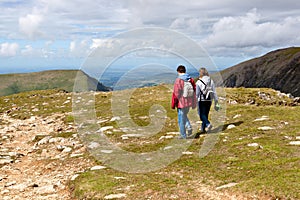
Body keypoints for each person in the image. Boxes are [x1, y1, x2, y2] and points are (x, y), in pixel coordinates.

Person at [171, 65, 197, 139]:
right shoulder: (190, 80)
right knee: (184, 115)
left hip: (181, 103)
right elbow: (194, 91)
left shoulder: (178, 80)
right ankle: (188, 127)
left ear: (178, 71)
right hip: (189, 102)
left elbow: (176, 94)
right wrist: (194, 103)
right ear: (185, 71)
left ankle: (183, 135)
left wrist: (173, 104)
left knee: (181, 120)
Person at [196, 67, 219, 133]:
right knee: (205, 114)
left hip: (202, 100)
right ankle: (203, 129)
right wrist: (216, 100)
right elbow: (214, 91)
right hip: (209, 100)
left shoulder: (198, 82)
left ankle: (208, 124)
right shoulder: (211, 81)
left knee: (201, 115)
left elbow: (197, 93)